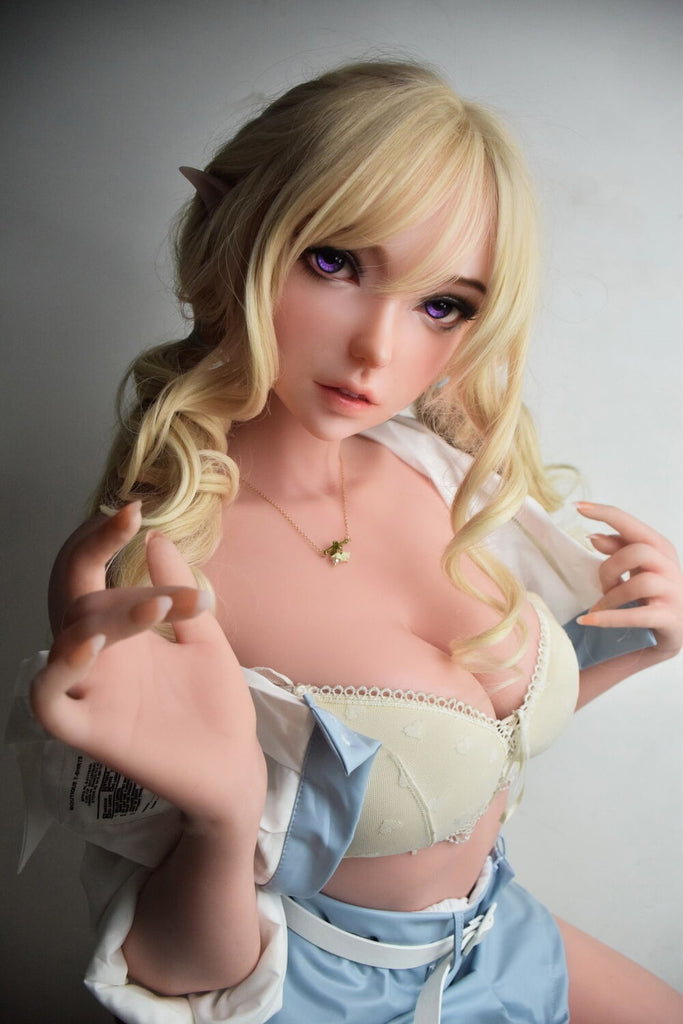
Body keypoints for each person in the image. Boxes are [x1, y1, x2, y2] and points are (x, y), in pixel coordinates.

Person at [10, 60, 683, 1023]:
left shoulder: (435, 471)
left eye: (442, 305)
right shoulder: (166, 572)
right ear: (227, 230)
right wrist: (221, 816)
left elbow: (472, 750)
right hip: (323, 992)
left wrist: (633, 647)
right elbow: (171, 979)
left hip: (495, 934)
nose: (378, 349)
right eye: (333, 263)